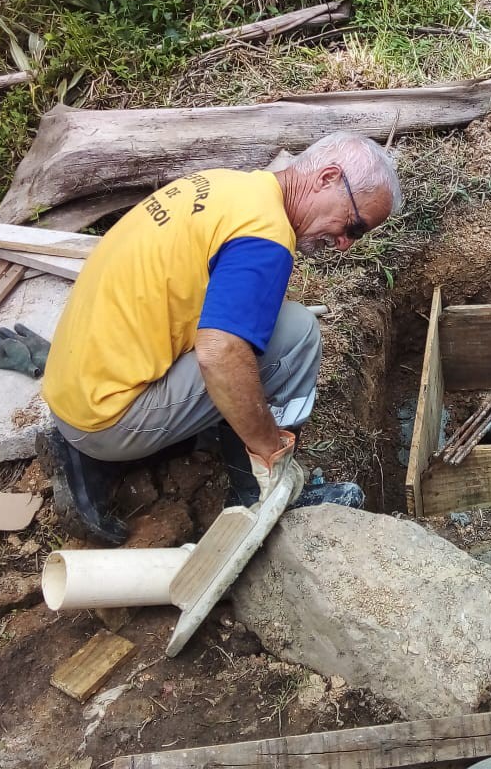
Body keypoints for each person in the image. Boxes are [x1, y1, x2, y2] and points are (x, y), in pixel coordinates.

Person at [37, 131, 402, 545]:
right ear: (327, 178)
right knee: (296, 336)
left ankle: (162, 442)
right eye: (353, 226)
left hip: (74, 388)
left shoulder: (230, 188)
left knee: (255, 330)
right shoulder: (265, 236)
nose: (344, 245)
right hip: (106, 419)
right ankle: (264, 489)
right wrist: (270, 449)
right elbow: (220, 353)